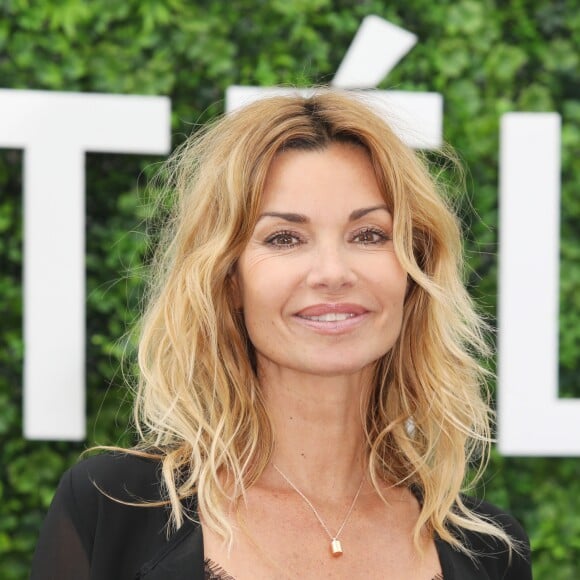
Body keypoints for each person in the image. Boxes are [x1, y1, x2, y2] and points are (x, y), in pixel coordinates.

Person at [31, 91, 532, 579]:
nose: (332, 272)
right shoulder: (114, 506)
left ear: (414, 269)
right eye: (285, 238)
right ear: (228, 279)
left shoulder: (489, 552)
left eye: (369, 235)